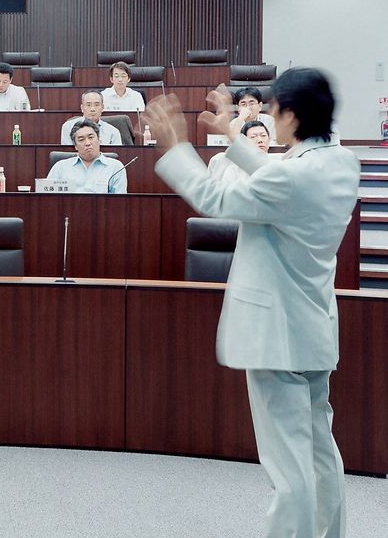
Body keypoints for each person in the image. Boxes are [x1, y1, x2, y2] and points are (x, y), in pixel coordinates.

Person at [143, 68, 359, 538]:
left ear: (291, 115)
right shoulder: (342, 163)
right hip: (315, 329)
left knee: (289, 470)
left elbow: (213, 197)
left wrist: (177, 146)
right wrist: (231, 136)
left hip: (276, 337)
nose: (264, 117)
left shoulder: (290, 181)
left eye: (271, 109)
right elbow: (281, 177)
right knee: (320, 450)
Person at [46, 119, 127, 193]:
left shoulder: (116, 167)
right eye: (81, 140)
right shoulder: (60, 167)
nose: (87, 143)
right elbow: (48, 197)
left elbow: (119, 202)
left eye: (91, 137)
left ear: (99, 140)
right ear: (75, 146)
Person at [207, 119, 276, 182]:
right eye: (253, 137)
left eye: (263, 136)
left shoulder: (278, 163)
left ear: (269, 139)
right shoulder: (233, 170)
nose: (260, 140)